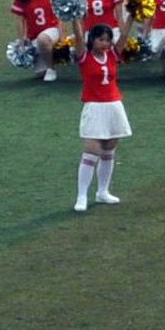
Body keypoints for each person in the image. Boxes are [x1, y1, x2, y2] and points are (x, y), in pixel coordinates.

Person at [69, 26, 131, 212]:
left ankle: (103, 192)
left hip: (114, 106)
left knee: (109, 149)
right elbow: (79, 37)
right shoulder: (85, 57)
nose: (105, 43)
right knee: (91, 151)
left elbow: (125, 34)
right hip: (94, 107)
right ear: (92, 40)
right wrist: (75, 18)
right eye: (101, 39)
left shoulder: (112, 55)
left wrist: (132, 15)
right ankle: (81, 196)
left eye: (108, 40)